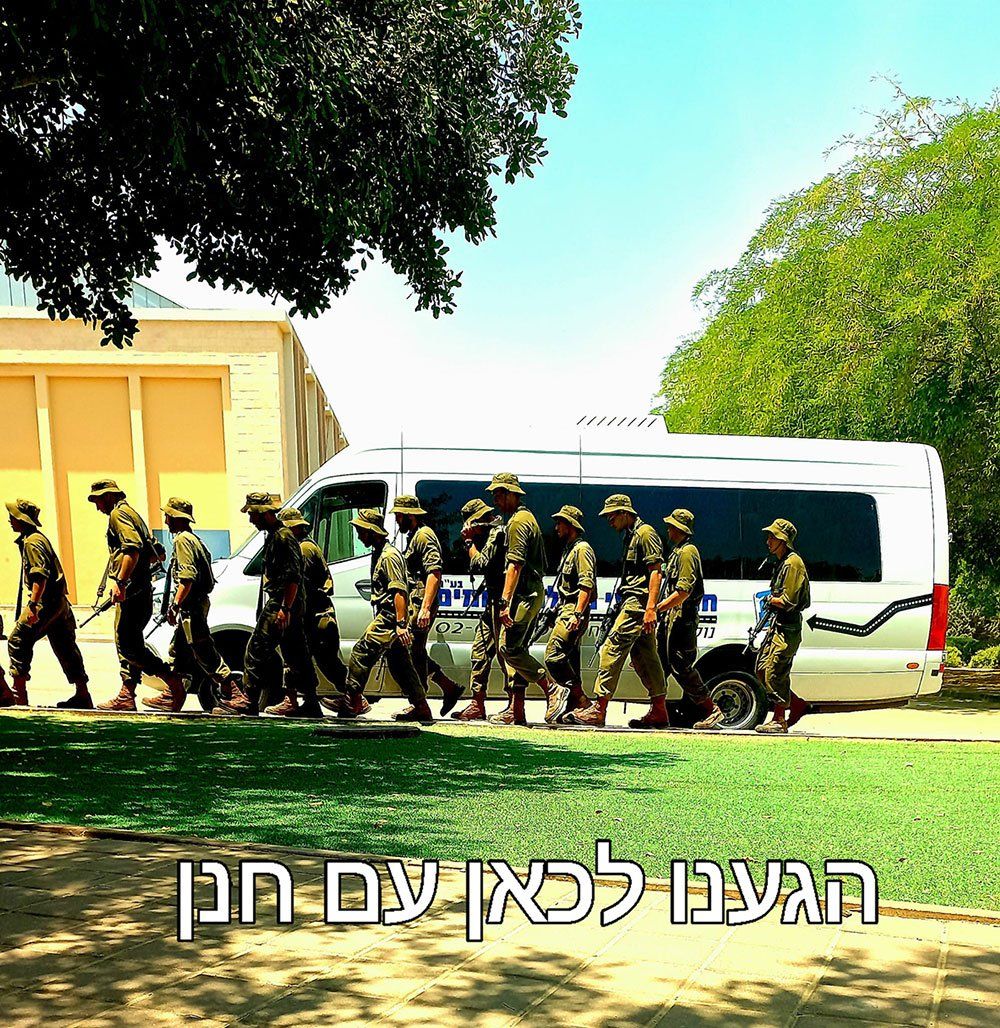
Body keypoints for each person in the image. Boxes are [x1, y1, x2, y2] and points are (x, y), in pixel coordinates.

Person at [569, 494, 669, 729]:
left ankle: (599, 709)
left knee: (611, 649)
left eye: (612, 516)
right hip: (632, 602)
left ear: (625, 513)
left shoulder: (645, 533)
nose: (609, 521)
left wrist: (651, 608)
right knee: (646, 658)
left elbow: (656, 572)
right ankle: (659, 710)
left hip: (638, 604)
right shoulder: (631, 536)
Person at [326, 508, 432, 722]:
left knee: (361, 652)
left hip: (391, 616)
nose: (359, 536)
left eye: (361, 532)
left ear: (371, 532)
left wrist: (400, 624)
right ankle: (421, 706)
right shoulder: (380, 552)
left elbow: (399, 591)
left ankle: (352, 701)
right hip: (390, 615)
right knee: (400, 663)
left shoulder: (388, 556)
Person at [88, 479, 186, 712]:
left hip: (132, 592)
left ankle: (172, 682)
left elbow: (132, 549)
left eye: (98, 500)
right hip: (138, 589)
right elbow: (157, 553)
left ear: (108, 496)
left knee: (128, 646)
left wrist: (121, 582)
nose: (97, 507)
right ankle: (127, 693)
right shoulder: (132, 514)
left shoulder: (118, 515)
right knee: (130, 642)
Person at [154, 498, 251, 715]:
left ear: (175, 518)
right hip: (194, 604)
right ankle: (172, 693)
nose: (166, 520)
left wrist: (175, 605)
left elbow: (187, 578)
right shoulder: (194, 539)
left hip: (192, 605)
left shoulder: (183, 541)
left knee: (203, 650)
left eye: (168, 516)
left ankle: (234, 692)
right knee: (178, 649)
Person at [487, 472, 563, 725]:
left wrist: (505, 602)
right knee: (518, 650)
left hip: (524, 595)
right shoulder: (524, 518)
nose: (495, 500)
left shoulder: (519, 522)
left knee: (508, 648)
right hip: (530, 593)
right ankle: (516, 710)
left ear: (511, 494)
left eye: (498, 494)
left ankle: (552, 688)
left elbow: (515, 565)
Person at [2, 499, 90, 709]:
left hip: (45, 602)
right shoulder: (35, 538)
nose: (10, 521)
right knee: (65, 646)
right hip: (58, 602)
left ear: (22, 520)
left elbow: (40, 576)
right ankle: (82, 693)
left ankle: (18, 693)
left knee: (18, 640)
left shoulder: (32, 542)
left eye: (13, 517)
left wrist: (33, 605)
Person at [240, 492, 321, 718]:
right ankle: (311, 702)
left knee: (256, 649)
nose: (251, 520)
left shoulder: (283, 537)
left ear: (264, 514)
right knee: (296, 654)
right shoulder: (275, 536)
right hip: (288, 603)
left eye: (253, 515)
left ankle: (249, 699)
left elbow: (293, 576)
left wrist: (285, 609)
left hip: (282, 603)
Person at [390, 494, 464, 715]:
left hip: (421, 603)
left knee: (408, 651)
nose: (397, 520)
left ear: (409, 515)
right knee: (415, 650)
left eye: (399, 515)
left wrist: (425, 608)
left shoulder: (424, 535)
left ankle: (420, 703)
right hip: (416, 601)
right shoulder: (415, 535)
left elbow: (434, 572)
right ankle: (448, 687)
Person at [656, 509, 725, 730]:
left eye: (671, 526)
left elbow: (683, 591)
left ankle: (712, 710)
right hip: (672, 618)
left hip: (682, 619)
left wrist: (657, 608)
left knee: (681, 666)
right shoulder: (677, 551)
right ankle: (657, 712)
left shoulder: (687, 552)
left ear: (680, 529)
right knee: (660, 666)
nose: (668, 529)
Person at [277, 508, 350, 703]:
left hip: (315, 616)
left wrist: (287, 607)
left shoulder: (304, 549)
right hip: (310, 614)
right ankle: (300, 700)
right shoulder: (301, 547)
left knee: (325, 661)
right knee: (300, 659)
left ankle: (352, 697)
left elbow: (299, 585)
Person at [451, 498, 511, 722]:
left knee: (507, 655)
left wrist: (469, 543)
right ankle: (477, 703)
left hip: (503, 603)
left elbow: (481, 564)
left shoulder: (497, 533)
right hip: (492, 603)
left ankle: (515, 705)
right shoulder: (488, 535)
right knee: (480, 652)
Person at [754, 519, 812, 734]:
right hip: (777, 625)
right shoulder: (781, 562)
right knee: (761, 669)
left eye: (772, 537)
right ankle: (796, 704)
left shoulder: (792, 564)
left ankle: (779, 719)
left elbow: (789, 601)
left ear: (783, 540)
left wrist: (771, 600)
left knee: (774, 670)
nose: (768, 541)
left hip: (788, 627)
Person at [543, 504, 596, 723]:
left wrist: (577, 614)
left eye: (560, 523)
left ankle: (580, 699)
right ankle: (575, 705)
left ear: (571, 525)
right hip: (565, 608)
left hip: (573, 610)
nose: (556, 527)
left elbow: (586, 585)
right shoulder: (570, 549)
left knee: (553, 655)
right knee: (570, 659)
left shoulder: (582, 549)